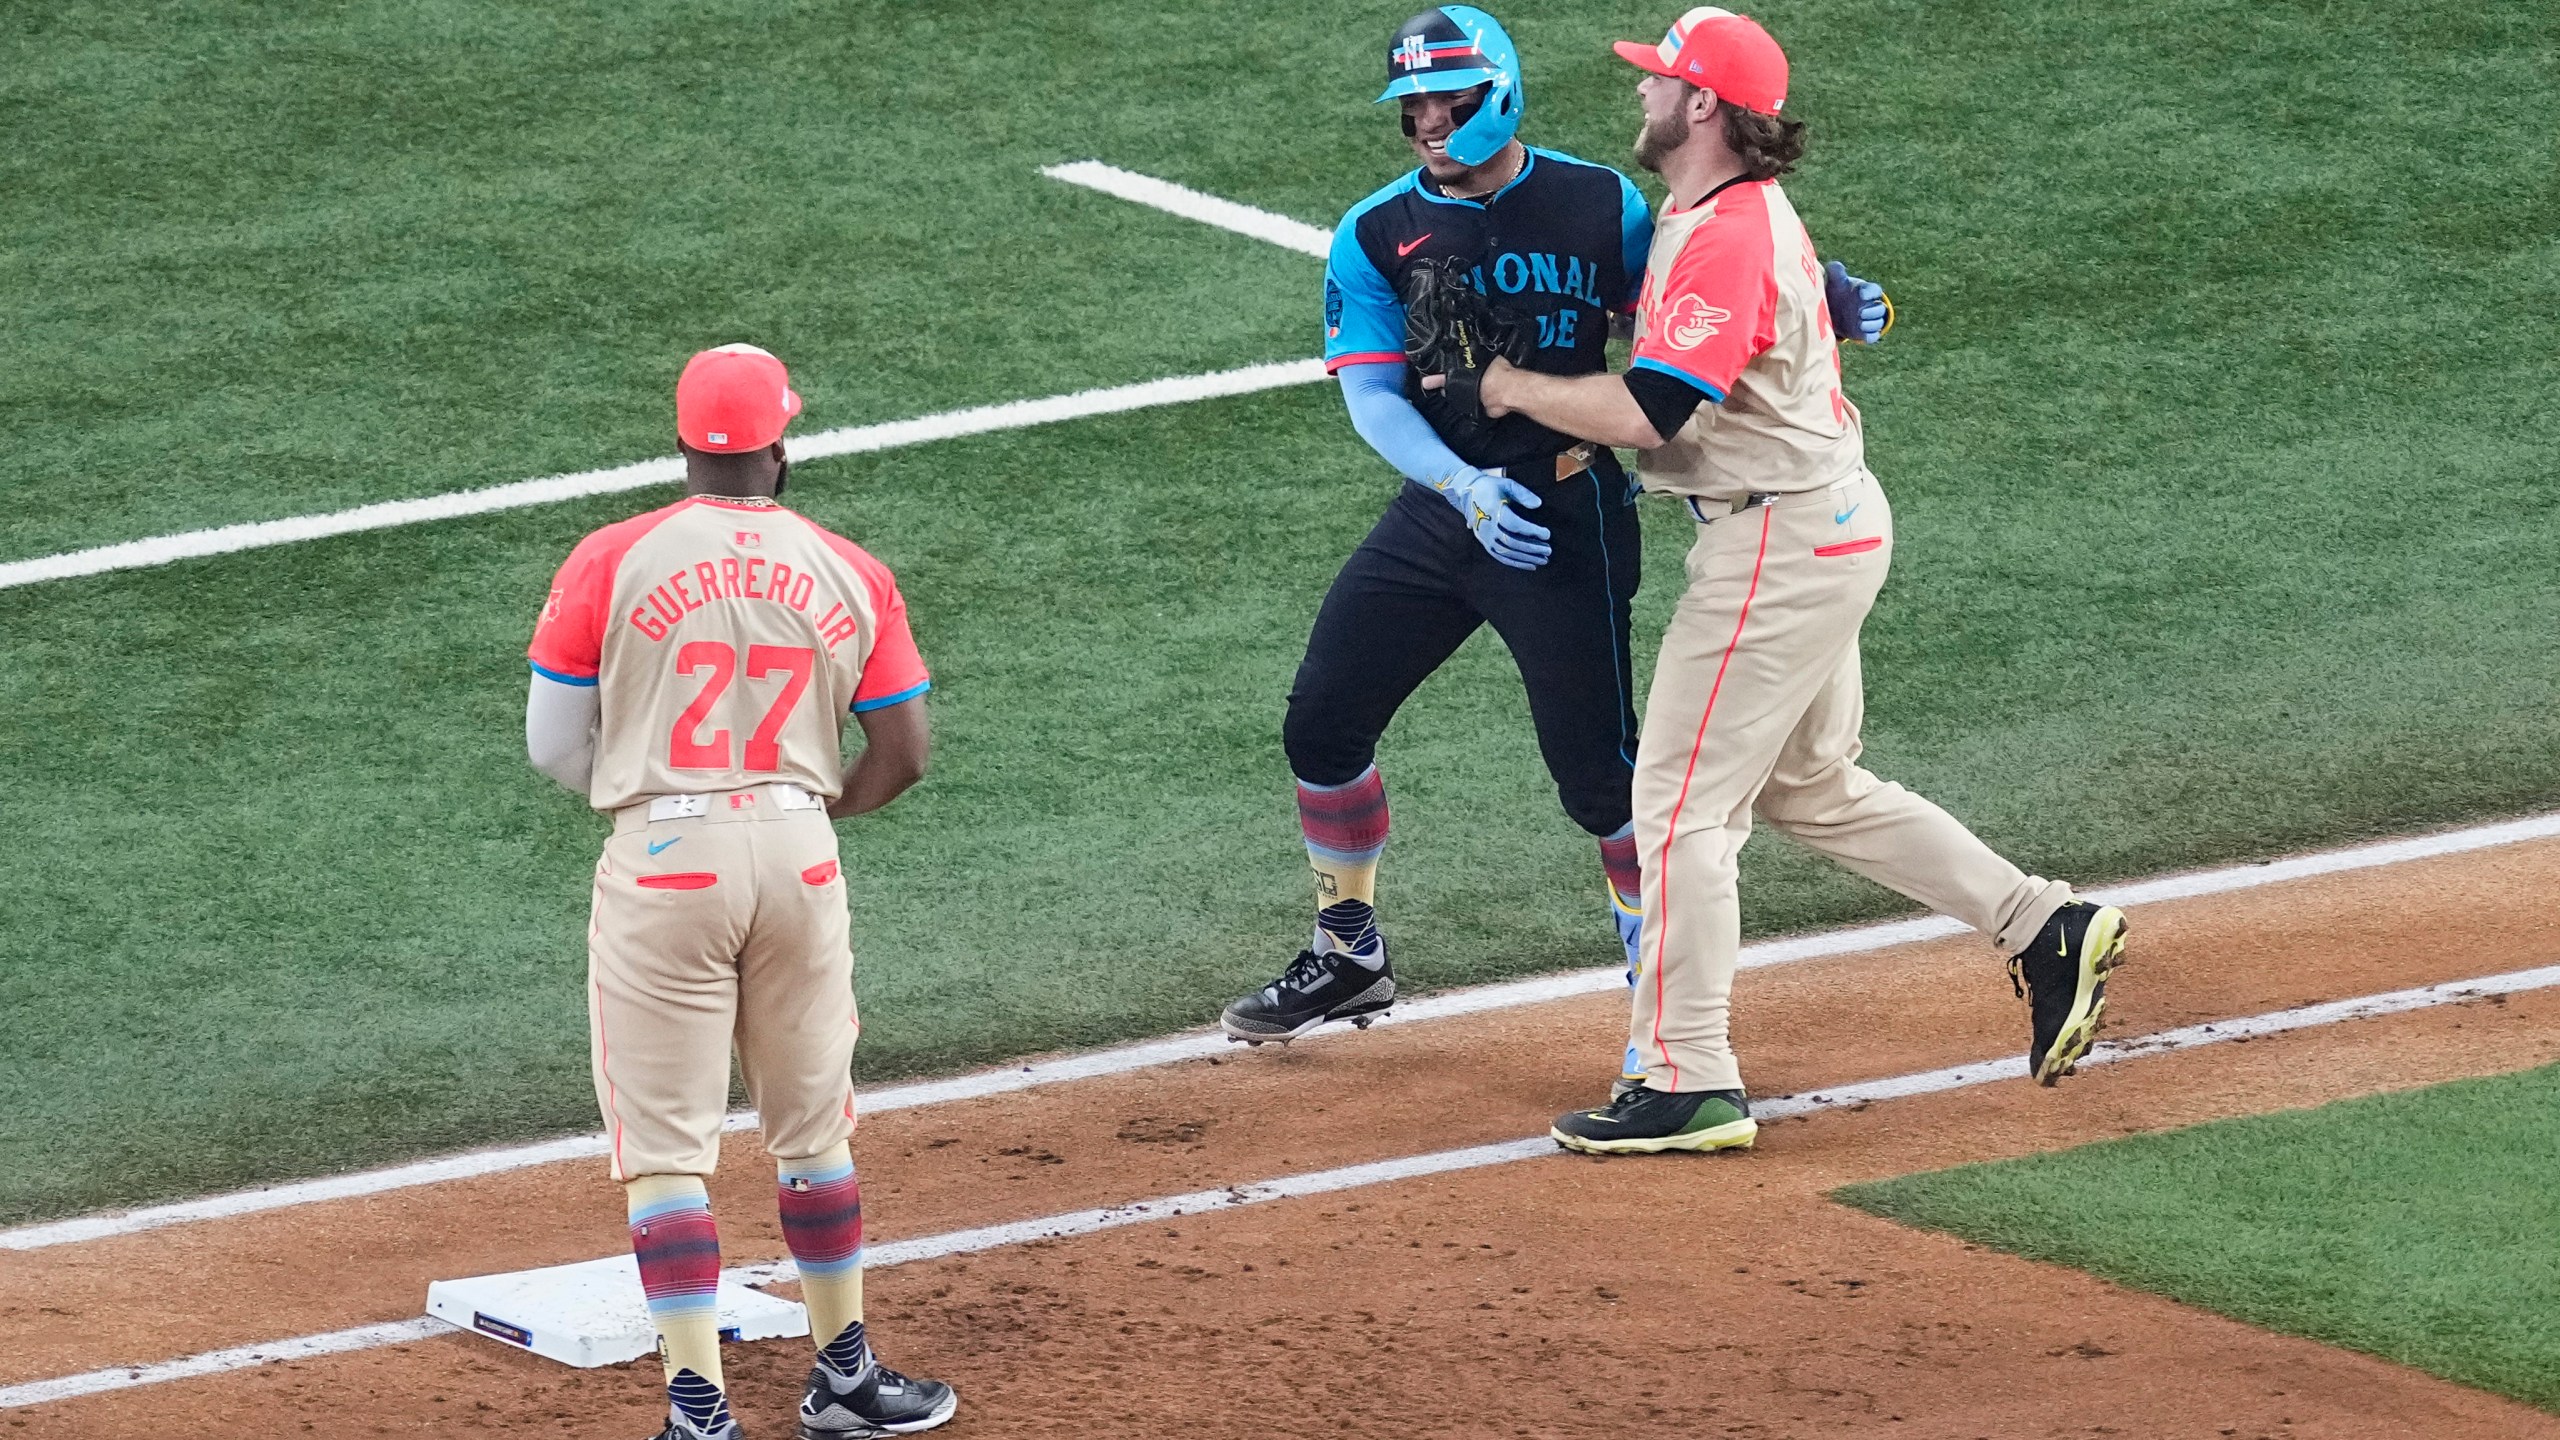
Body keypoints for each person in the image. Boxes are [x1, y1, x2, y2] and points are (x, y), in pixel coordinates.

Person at [1438, 8, 2128, 1155]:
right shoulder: (1712, 213)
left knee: (1674, 811)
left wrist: (1506, 384)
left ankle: (1685, 1076)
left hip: (1778, 543)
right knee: (1809, 785)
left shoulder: (1722, 235)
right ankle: (2042, 923)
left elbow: (1651, 409)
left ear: (1703, 105)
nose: (1643, 94)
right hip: (1821, 522)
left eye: (1660, 80)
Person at [1219, 5, 1888, 1052]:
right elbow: (1373, 397)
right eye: (1415, 106)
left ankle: (1653, 997)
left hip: (1570, 514)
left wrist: (1823, 292)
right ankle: (1349, 952)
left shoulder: (1598, 204)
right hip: (1446, 513)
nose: (1431, 123)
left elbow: (1691, 301)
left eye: (1450, 100)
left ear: (1500, 95)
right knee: (1322, 720)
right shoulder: (1375, 232)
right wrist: (1460, 488)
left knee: (1601, 781)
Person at [524, 343, 956, 1437]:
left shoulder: (612, 556)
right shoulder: (848, 566)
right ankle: (847, 1377)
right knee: (813, 1134)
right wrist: (809, 809)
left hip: (664, 860)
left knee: (667, 1153)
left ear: (683, 444)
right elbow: (904, 750)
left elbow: (550, 745)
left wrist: (641, 794)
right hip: (799, 852)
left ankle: (700, 1411)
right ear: (779, 443)